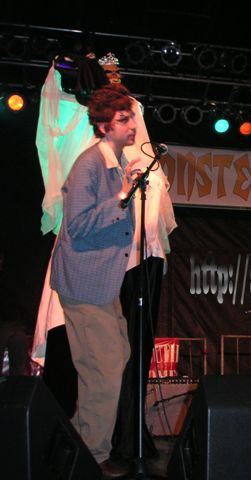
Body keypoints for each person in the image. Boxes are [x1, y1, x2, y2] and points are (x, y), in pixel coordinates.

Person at [50, 84, 140, 477]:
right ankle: (91, 455)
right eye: (123, 119)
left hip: (101, 284)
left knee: (113, 357)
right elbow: (78, 224)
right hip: (85, 283)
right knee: (102, 368)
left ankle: (77, 443)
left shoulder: (115, 161)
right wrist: (121, 196)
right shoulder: (90, 164)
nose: (132, 125)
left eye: (131, 117)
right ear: (104, 126)